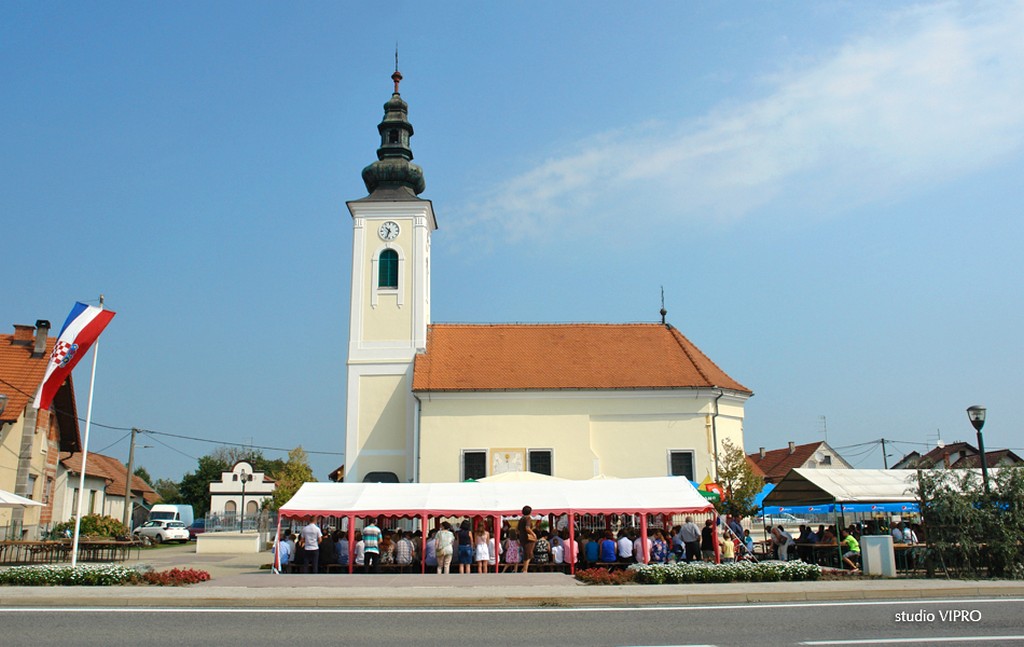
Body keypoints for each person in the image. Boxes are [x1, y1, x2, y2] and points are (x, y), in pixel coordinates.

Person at [518, 506, 537, 573]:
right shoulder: (528, 518)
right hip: (528, 538)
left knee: (527, 553)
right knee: (528, 554)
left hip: (522, 538)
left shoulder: (521, 519)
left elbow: (519, 529)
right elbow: (527, 528)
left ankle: (524, 568)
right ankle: (525, 569)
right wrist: (533, 534)